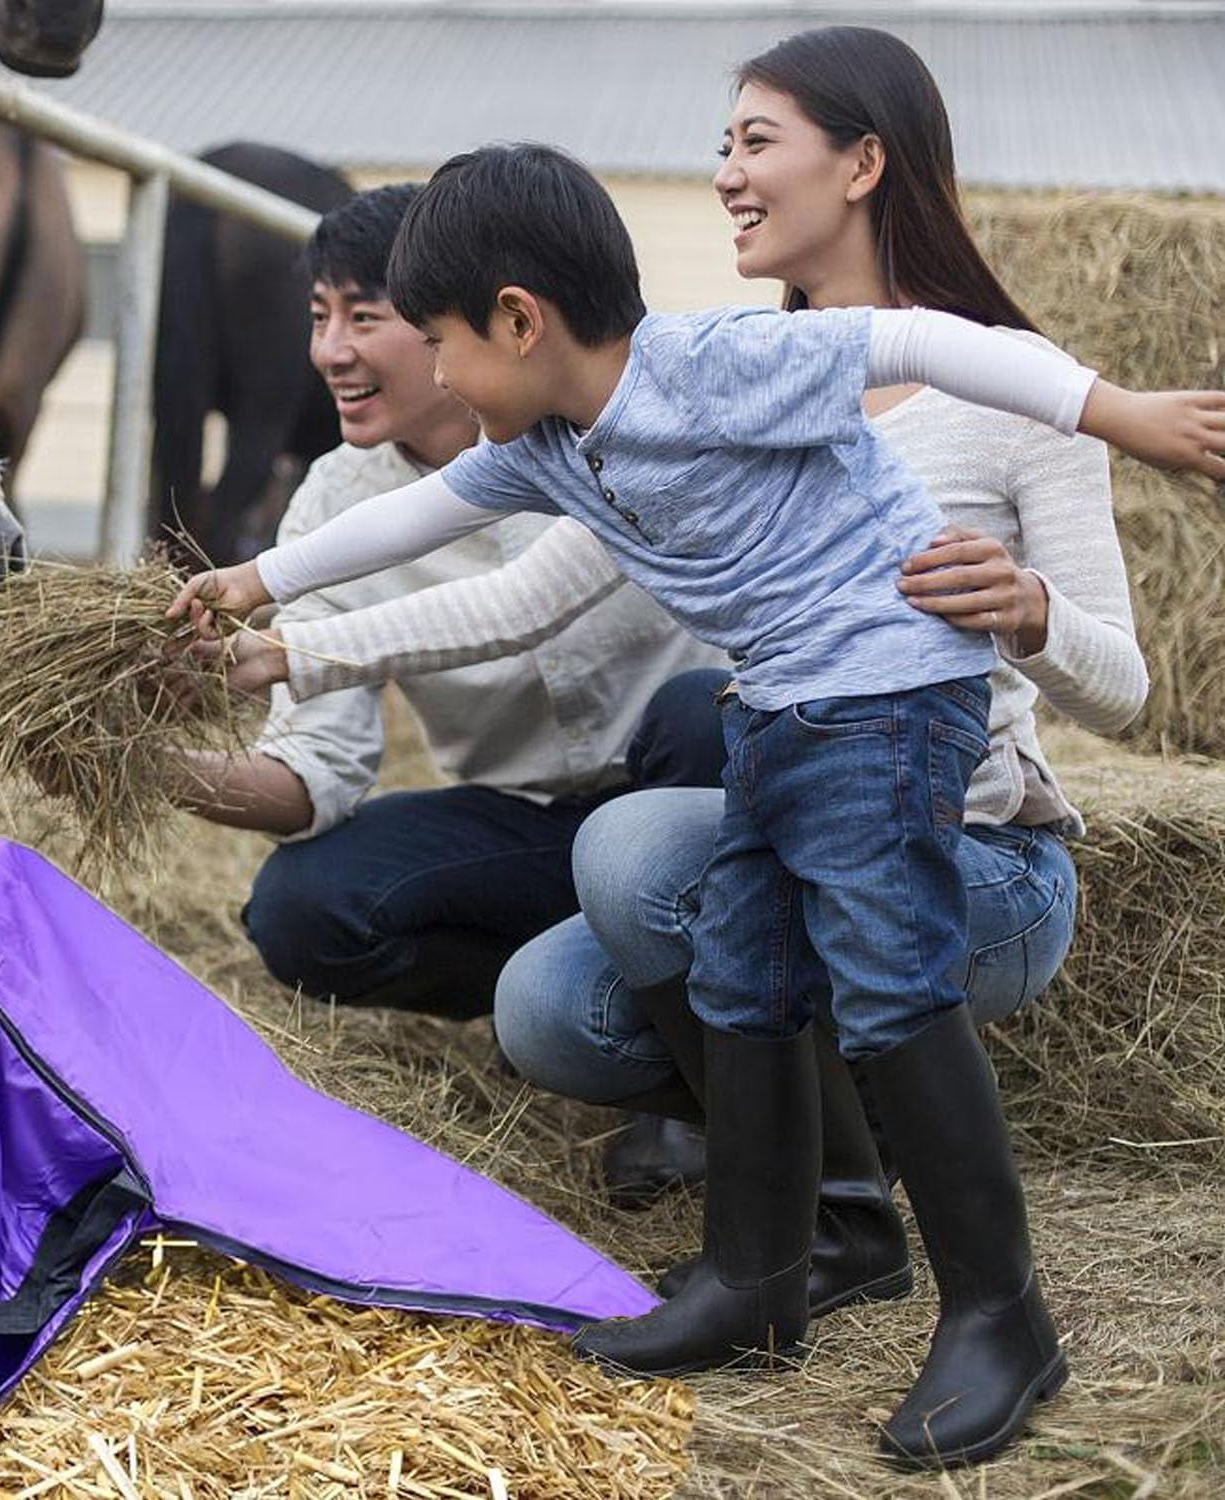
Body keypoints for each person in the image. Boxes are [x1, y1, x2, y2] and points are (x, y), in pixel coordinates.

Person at [167, 140, 1222, 1469]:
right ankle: (758, 1278)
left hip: (894, 686)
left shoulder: (713, 361)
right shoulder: (549, 447)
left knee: (888, 982)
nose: (432, 372)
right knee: (742, 970)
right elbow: (411, 526)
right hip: (783, 701)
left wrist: (1116, 411)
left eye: (437, 338)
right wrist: (257, 592)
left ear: (517, 320)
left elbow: (937, 345)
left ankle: (1004, 1319)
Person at [161, 183, 726, 1024]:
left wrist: (279, 645)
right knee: (302, 906)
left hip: (690, 800)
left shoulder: (608, 428)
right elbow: (316, 770)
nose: (329, 351)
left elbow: (517, 605)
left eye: (365, 317)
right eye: (319, 318)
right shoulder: (336, 500)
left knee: (700, 716)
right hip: (528, 833)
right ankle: (576, 998)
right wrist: (141, 766)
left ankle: (681, 1039)